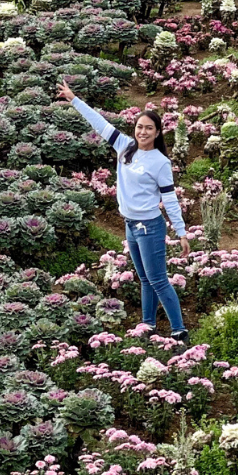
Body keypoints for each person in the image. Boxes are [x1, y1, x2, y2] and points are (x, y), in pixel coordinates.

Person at [57, 80, 190, 341]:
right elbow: (98, 122)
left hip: (150, 227)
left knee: (158, 280)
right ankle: (148, 325)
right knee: (144, 279)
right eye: (140, 127)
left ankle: (179, 331)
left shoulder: (160, 162)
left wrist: (182, 232)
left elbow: (170, 199)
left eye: (149, 128)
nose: (143, 132)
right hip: (131, 225)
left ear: (157, 132)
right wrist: (73, 98)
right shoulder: (124, 146)